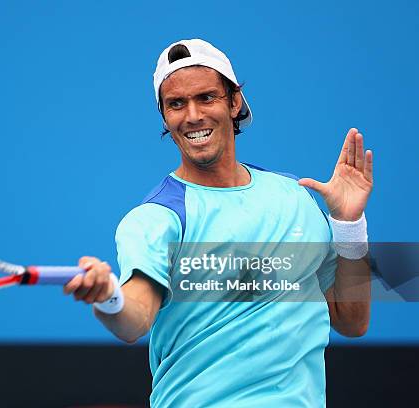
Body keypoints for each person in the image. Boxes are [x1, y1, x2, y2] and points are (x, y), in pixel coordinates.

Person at [64, 39, 373, 407]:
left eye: (206, 97)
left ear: (234, 102)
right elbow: (135, 319)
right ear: (164, 116)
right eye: (176, 104)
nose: (192, 115)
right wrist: (109, 297)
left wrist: (349, 223)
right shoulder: (155, 219)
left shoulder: (295, 198)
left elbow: (351, 321)